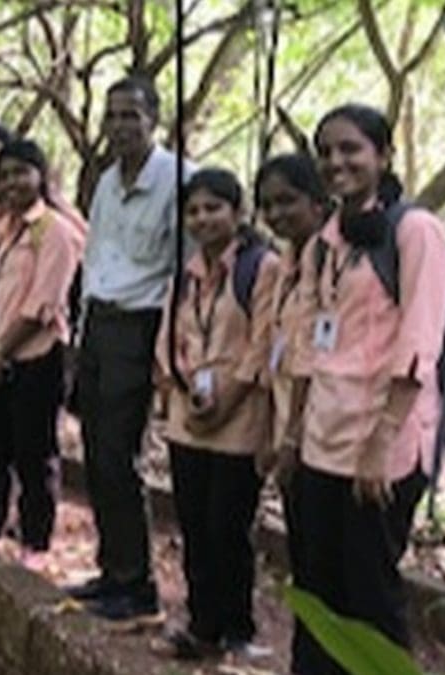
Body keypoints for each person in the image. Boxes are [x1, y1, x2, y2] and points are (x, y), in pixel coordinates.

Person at [284, 104, 445, 674]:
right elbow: (309, 344)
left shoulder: (416, 232)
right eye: (326, 151)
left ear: (383, 156)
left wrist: (382, 441)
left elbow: (419, 340)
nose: (336, 162)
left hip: (384, 442)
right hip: (322, 440)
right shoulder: (322, 244)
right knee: (315, 584)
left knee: (370, 591)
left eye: (351, 149)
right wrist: (291, 435)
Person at [70, 75, 193, 625]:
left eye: (131, 116)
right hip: (99, 324)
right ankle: (113, 569)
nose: (120, 127)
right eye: (112, 116)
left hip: (140, 327)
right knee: (96, 452)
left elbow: (187, 273)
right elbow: (97, 257)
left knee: (121, 455)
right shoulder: (104, 182)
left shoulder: (179, 181)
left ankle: (137, 583)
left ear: (154, 120)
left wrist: (169, 352)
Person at [153, 168, 279, 658]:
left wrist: (225, 398)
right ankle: (202, 623)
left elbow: (264, 342)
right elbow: (168, 338)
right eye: (194, 210)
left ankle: (238, 627)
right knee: (194, 524)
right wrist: (179, 386)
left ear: (238, 211)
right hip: (189, 418)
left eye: (213, 208)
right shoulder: (185, 272)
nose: (203, 219)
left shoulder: (261, 267)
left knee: (229, 527)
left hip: (238, 421)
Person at [0, 139, 83, 555]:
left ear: (41, 176)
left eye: (21, 172)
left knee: (35, 454)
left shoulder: (56, 232)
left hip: (36, 357)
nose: (12, 182)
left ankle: (36, 540)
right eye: (5, 175)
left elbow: (42, 305)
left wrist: (0, 350)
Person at [253, 153, 330, 672]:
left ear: (318, 203)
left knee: (329, 568)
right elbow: (277, 354)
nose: (277, 214)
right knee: (308, 561)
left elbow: (315, 358)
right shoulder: (286, 266)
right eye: (267, 205)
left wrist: (293, 437)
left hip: (326, 435)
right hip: (291, 432)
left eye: (288, 201)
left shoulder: (332, 262)